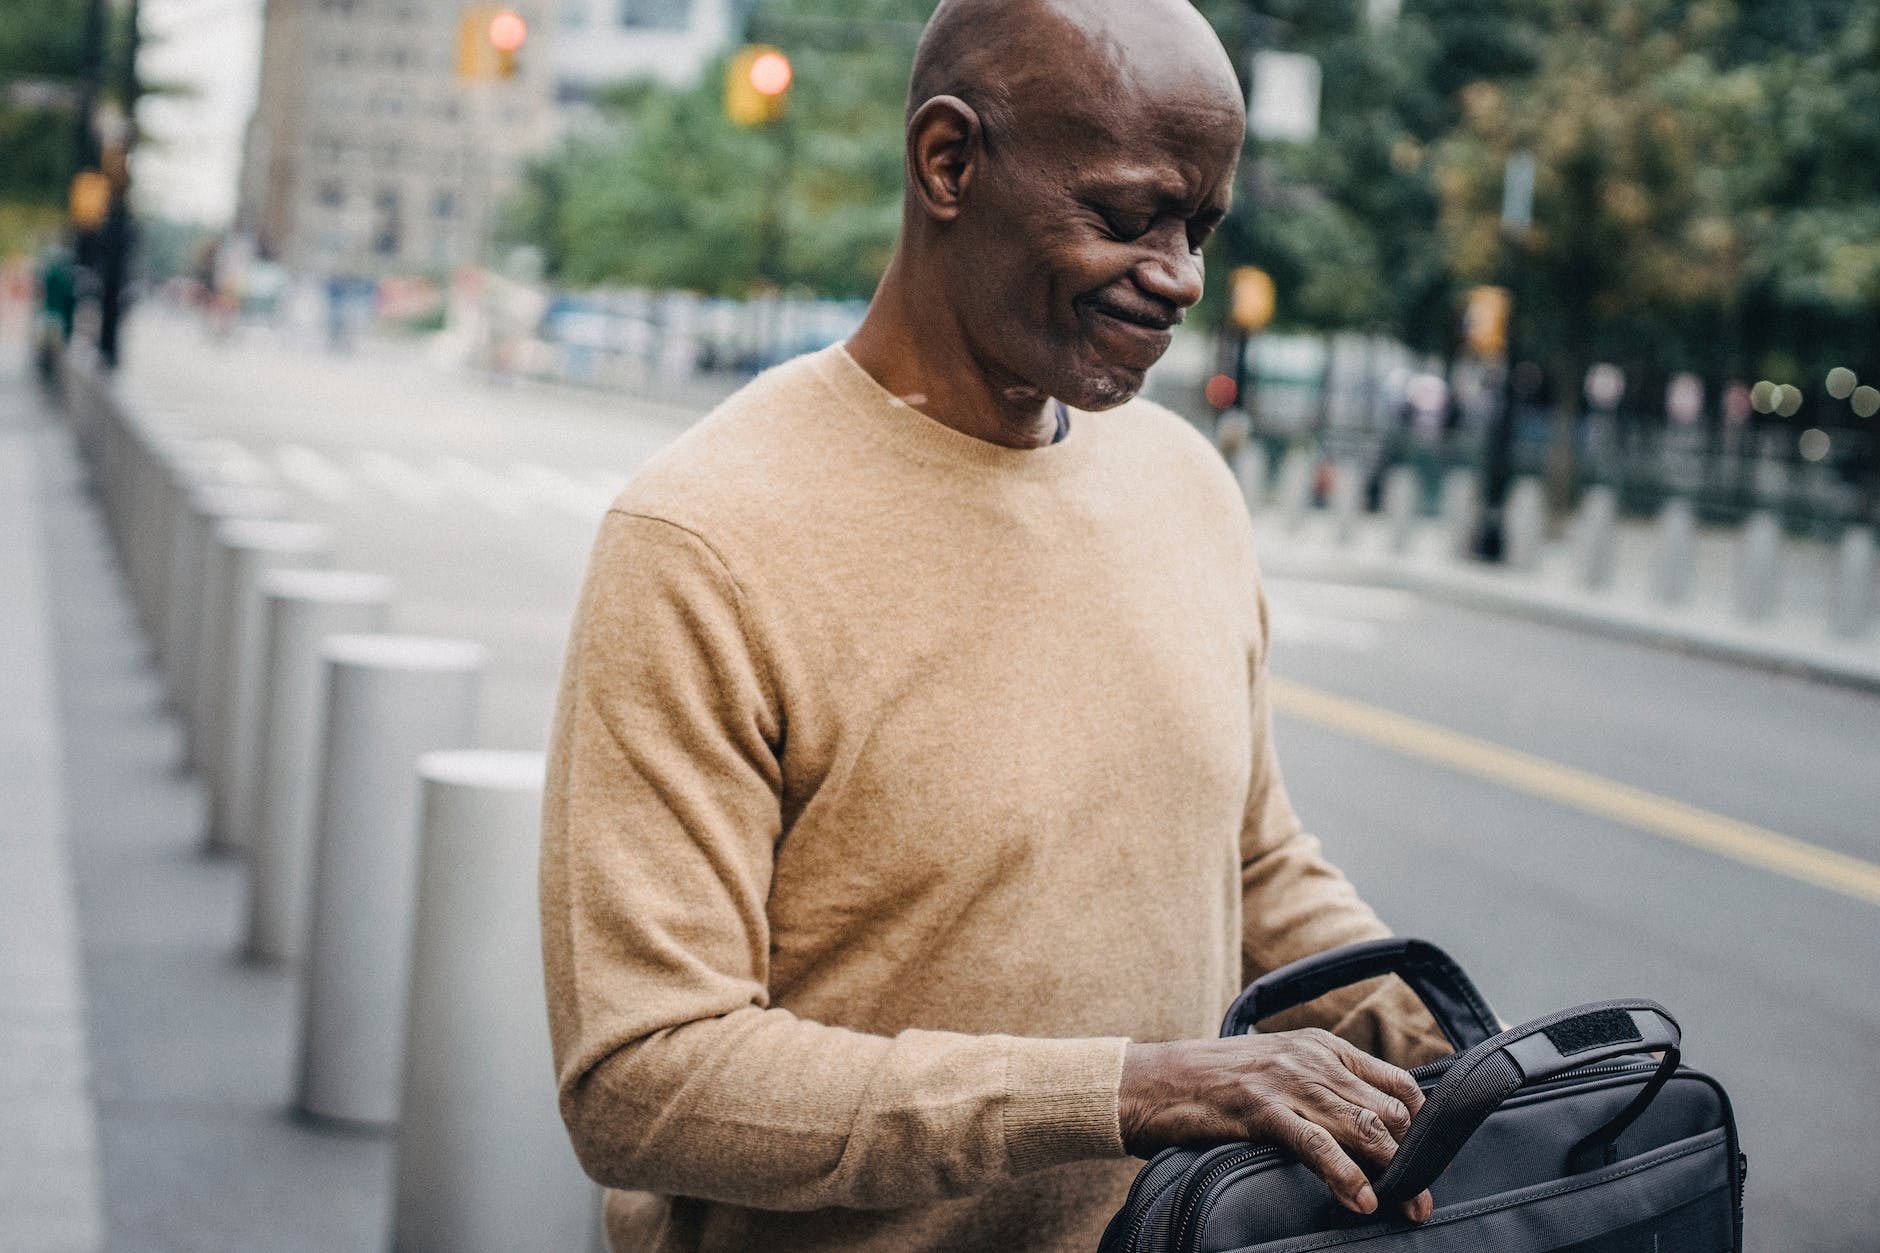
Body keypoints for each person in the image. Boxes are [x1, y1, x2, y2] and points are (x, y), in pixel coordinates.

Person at [539, 2, 1449, 1249]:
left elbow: (1247, 862)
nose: (1179, 272)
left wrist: (1457, 1044)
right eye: (1128, 215)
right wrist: (1135, 1089)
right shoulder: (700, 538)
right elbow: (643, 1079)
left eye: (1200, 225)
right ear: (948, 163)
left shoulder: (1184, 484)